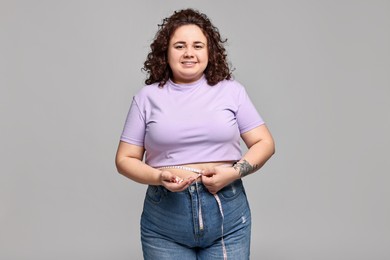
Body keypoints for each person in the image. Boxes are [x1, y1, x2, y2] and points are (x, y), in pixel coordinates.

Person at [115, 8, 275, 260]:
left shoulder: (232, 91)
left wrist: (233, 172)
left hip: (228, 217)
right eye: (179, 46)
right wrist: (159, 176)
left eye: (197, 45)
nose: (189, 53)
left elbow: (264, 142)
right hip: (165, 221)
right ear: (165, 52)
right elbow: (124, 160)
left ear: (209, 51)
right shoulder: (146, 98)